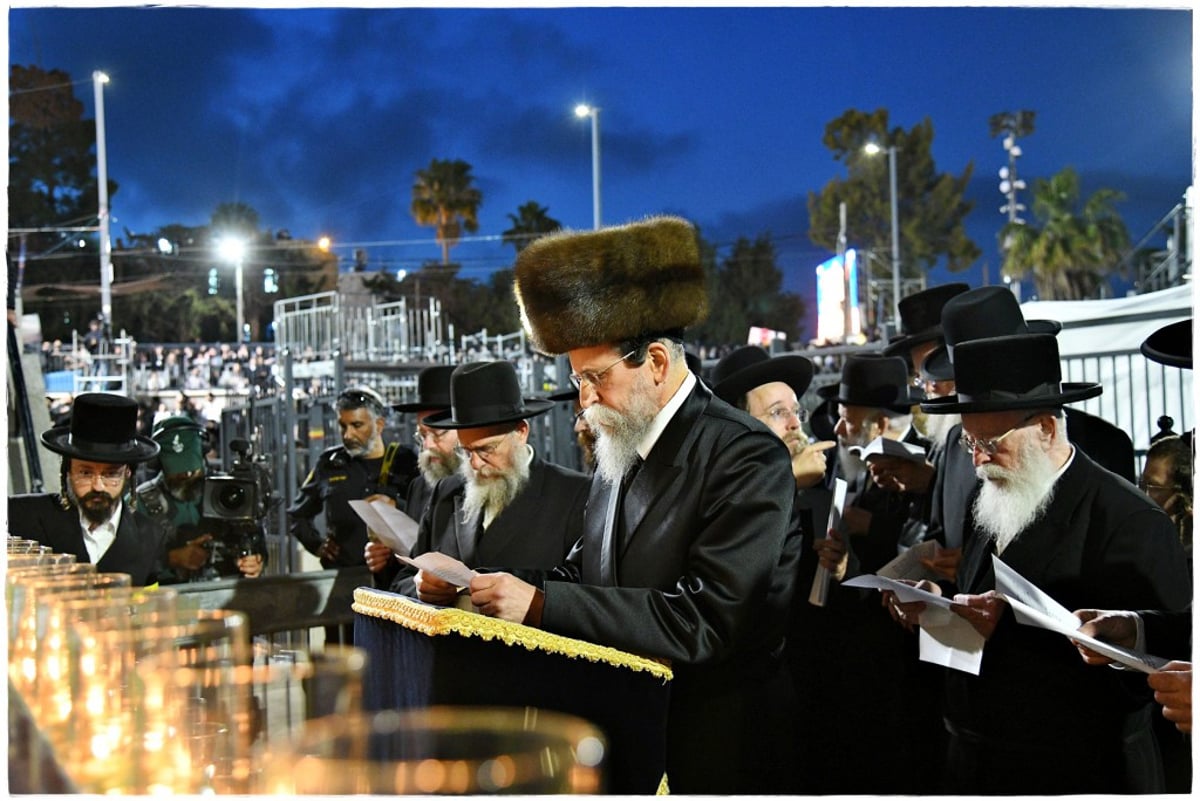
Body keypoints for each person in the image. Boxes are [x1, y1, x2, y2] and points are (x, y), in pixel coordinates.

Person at [429, 216, 797, 793]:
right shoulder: (619, 444)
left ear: (654, 360)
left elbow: (707, 621)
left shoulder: (743, 455)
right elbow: (587, 572)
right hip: (625, 734)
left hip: (708, 749)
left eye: (595, 377)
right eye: (577, 379)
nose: (585, 398)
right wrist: (478, 585)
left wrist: (543, 607)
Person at [888, 333, 1191, 794]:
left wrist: (1007, 632)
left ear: (1046, 428)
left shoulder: (1128, 519)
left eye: (989, 441)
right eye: (969, 442)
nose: (978, 459)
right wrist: (939, 604)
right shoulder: (992, 492)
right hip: (979, 759)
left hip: (1077, 770)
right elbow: (982, 603)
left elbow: (1152, 671)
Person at [374, 361, 590, 597]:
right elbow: (403, 580)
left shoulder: (574, 495)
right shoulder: (446, 492)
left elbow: (582, 594)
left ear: (520, 432)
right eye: (466, 452)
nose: (475, 464)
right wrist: (420, 586)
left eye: (486, 450)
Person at [288, 385, 418, 642]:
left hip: (395, 588)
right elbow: (297, 514)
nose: (348, 434)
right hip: (345, 588)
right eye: (343, 426)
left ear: (379, 425)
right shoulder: (329, 462)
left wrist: (396, 506)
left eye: (357, 425)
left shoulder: (405, 461)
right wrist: (318, 545)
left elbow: (425, 515)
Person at [7, 393, 165, 585]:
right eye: (85, 473)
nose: (98, 486)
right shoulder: (20, 517)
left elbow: (146, 610)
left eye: (111, 474)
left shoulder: (150, 537)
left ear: (128, 473)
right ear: (67, 471)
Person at [136, 415, 266, 582]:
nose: (187, 476)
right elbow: (125, 563)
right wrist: (172, 558)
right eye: (179, 472)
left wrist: (256, 562)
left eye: (193, 470)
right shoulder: (140, 503)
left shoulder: (232, 491)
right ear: (158, 463)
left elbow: (258, 543)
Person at [390, 365, 460, 522]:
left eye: (438, 434)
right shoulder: (418, 487)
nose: (428, 446)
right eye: (422, 436)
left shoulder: (487, 487)